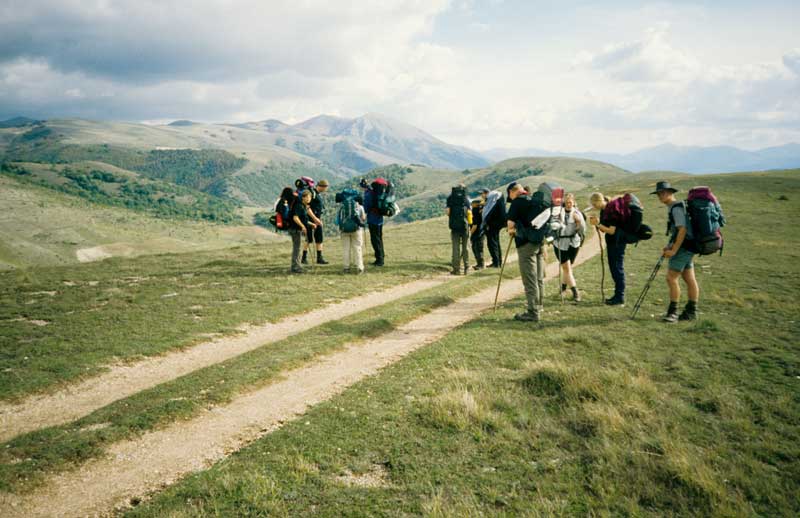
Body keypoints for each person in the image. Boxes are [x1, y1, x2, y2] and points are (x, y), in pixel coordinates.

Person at [652, 181, 699, 322]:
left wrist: (673, 250)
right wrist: (669, 245)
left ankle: (673, 313)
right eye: (659, 193)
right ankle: (691, 312)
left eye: (664, 193)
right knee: (689, 278)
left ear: (671, 193)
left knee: (671, 278)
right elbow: (677, 231)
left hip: (684, 248)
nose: (661, 196)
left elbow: (682, 229)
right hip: (688, 246)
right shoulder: (674, 207)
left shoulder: (676, 208)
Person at [506, 182, 545, 322]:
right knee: (538, 277)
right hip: (539, 242)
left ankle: (533, 312)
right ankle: (539, 305)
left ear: (512, 192)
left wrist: (511, 231)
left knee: (529, 279)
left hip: (525, 245)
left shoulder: (516, 202)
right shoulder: (534, 200)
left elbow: (510, 226)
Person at [588, 192, 626, 305]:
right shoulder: (604, 210)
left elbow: (612, 230)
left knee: (617, 268)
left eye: (594, 204)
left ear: (598, 201)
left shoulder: (613, 210)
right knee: (614, 268)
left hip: (618, 242)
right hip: (611, 242)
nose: (594, 207)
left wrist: (598, 224)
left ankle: (620, 297)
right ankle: (617, 295)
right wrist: (597, 224)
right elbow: (604, 229)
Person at [554, 193, 586, 302]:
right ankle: (575, 292)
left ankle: (563, 288)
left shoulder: (577, 213)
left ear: (573, 202)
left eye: (570, 202)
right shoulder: (558, 213)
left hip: (573, 243)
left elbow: (583, 230)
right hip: (560, 244)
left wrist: (578, 223)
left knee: (567, 269)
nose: (568, 204)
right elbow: (553, 227)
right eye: (566, 202)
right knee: (567, 268)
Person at [336, 189, 367, 274]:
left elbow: (338, 220)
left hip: (344, 230)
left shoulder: (341, 206)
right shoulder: (359, 206)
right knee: (357, 248)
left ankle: (346, 268)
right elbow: (363, 218)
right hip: (356, 230)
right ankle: (359, 267)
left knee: (346, 249)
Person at [446, 184, 472, 275]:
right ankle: (466, 268)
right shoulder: (466, 198)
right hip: (464, 226)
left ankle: (456, 269)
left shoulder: (450, 198)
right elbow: (469, 212)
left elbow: (448, 212)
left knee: (455, 247)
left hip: (454, 226)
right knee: (465, 248)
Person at [303, 179, 330, 265]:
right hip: (311, 220)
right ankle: (304, 258)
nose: (326, 190)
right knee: (309, 239)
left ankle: (319, 258)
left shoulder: (316, 194)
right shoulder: (312, 194)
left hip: (317, 219)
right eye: (326, 188)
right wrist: (315, 219)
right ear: (322, 187)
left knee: (319, 238)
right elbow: (307, 208)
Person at [289, 189, 317, 273]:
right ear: (303, 198)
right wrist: (302, 226)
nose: (309, 199)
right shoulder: (299, 206)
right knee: (297, 248)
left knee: (298, 247)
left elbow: (303, 219)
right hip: (295, 229)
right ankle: (295, 267)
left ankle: (297, 266)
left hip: (297, 229)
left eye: (310, 197)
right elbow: (295, 217)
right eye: (308, 197)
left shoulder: (303, 206)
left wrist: (311, 224)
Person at [362, 179, 386, 266]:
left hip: (372, 220)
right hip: (380, 219)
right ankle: (381, 257)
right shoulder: (378, 193)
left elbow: (366, 208)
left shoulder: (369, 194)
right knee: (379, 239)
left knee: (375, 240)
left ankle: (379, 260)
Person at [482, 190, 507, 267]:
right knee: (496, 243)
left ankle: (496, 262)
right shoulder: (499, 201)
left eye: (483, 194)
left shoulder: (492, 202)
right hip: (498, 224)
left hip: (492, 225)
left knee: (492, 243)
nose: (482, 196)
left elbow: (489, 213)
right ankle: (498, 261)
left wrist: (486, 222)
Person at [470, 190, 487, 270]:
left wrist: (471, 233)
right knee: (478, 248)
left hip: (477, 233)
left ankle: (480, 264)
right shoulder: (481, 210)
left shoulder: (475, 211)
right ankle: (479, 264)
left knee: (477, 248)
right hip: (481, 232)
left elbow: (475, 225)